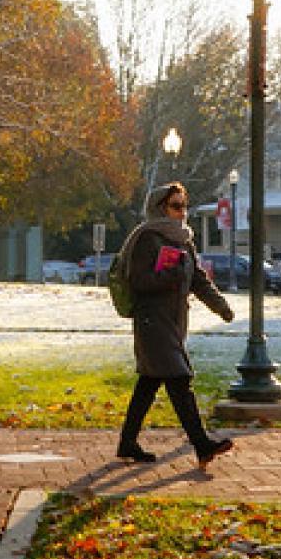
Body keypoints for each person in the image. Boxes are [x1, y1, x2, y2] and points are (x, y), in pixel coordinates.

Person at [115, 182, 237, 469]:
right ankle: (202, 444)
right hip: (151, 321)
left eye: (184, 206)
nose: (183, 213)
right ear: (161, 208)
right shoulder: (148, 238)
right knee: (179, 380)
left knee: (149, 383)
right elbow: (139, 281)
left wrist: (221, 307)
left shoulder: (184, 241)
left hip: (173, 321)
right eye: (176, 206)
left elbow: (197, 280)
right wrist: (169, 275)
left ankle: (127, 442)